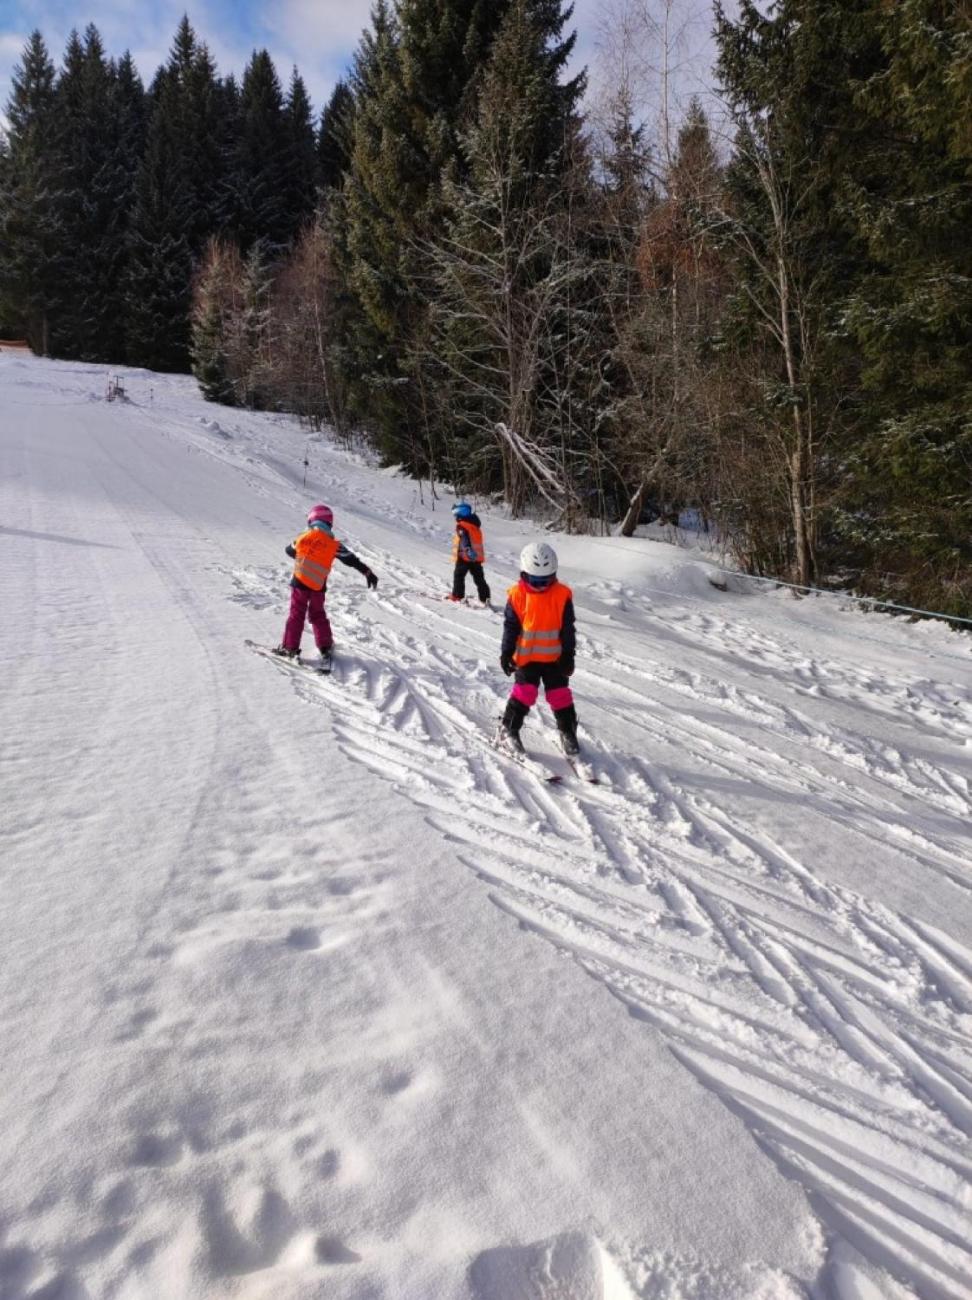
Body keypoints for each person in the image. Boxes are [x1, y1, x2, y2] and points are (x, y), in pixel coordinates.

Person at [498, 542, 579, 756]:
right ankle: (509, 729)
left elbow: (568, 629)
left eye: (547, 580)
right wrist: (506, 653)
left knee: (561, 695)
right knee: (524, 694)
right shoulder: (517, 595)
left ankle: (568, 732)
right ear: (524, 574)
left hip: (555, 659)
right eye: (535, 581)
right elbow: (511, 627)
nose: (542, 585)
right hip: (527, 659)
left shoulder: (562, 595)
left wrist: (568, 656)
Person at [273, 504, 377, 665]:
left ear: (311, 521)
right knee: (318, 614)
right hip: (318, 586)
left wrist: (304, 557)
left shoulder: (302, 537)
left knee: (296, 615)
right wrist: (367, 572)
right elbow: (350, 560)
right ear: (329, 523)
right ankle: (325, 646)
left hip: (299, 583)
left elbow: (289, 550)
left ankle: (289, 647)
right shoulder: (334, 545)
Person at [450, 502, 491, 605]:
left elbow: (464, 539)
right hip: (476, 558)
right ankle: (485, 598)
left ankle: (457, 595)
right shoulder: (475, 525)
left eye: (455, 515)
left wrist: (467, 550)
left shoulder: (462, 526)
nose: (455, 517)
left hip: (465, 556)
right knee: (479, 578)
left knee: (459, 575)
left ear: (460, 514)